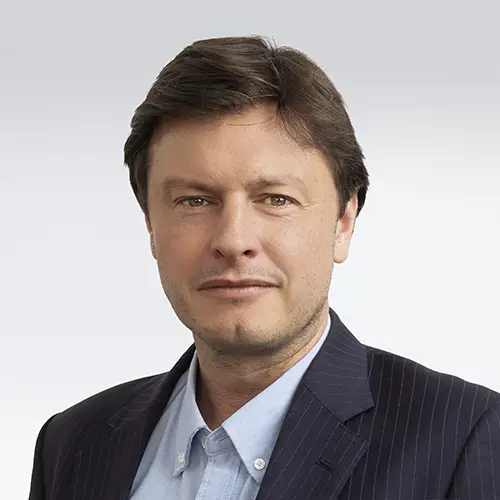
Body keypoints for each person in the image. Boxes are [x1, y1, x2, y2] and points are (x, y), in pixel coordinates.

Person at [28, 35, 499, 500]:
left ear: (343, 222)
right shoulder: (71, 443)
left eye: (276, 199)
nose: (233, 241)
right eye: (194, 200)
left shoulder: (465, 438)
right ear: (151, 225)